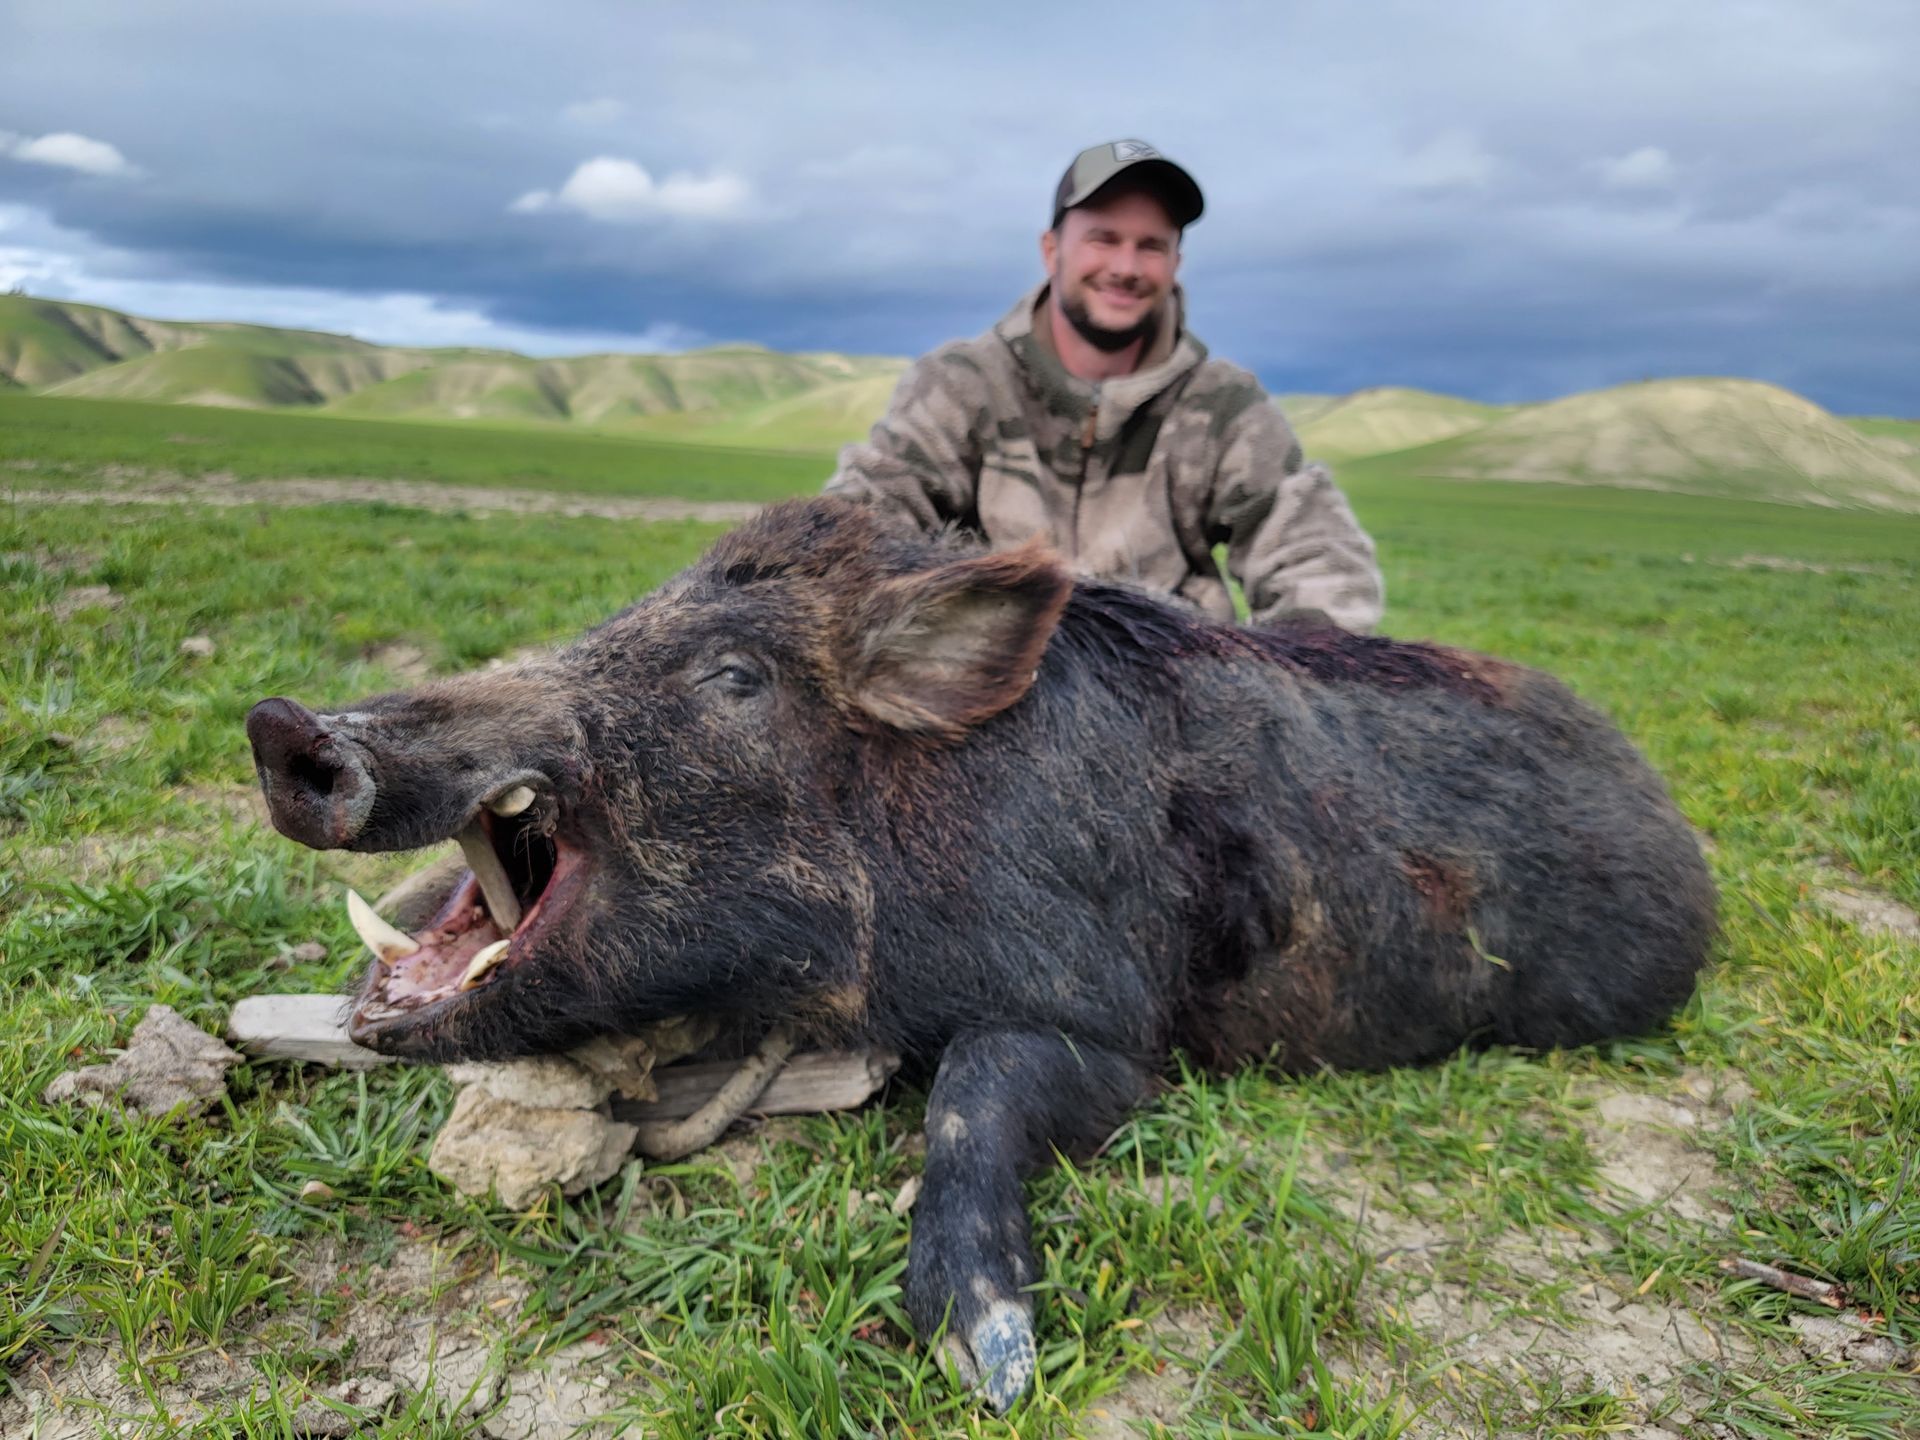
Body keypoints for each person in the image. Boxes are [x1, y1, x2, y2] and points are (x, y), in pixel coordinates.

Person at [825, 139, 1384, 632]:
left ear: (1175, 262)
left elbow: (1315, 554)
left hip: (1172, 702)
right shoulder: (962, 384)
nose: (1126, 265)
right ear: (1052, 250)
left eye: (1151, 245)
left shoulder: (1224, 404)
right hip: (990, 696)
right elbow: (867, 513)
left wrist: (1305, 649)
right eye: (1103, 238)